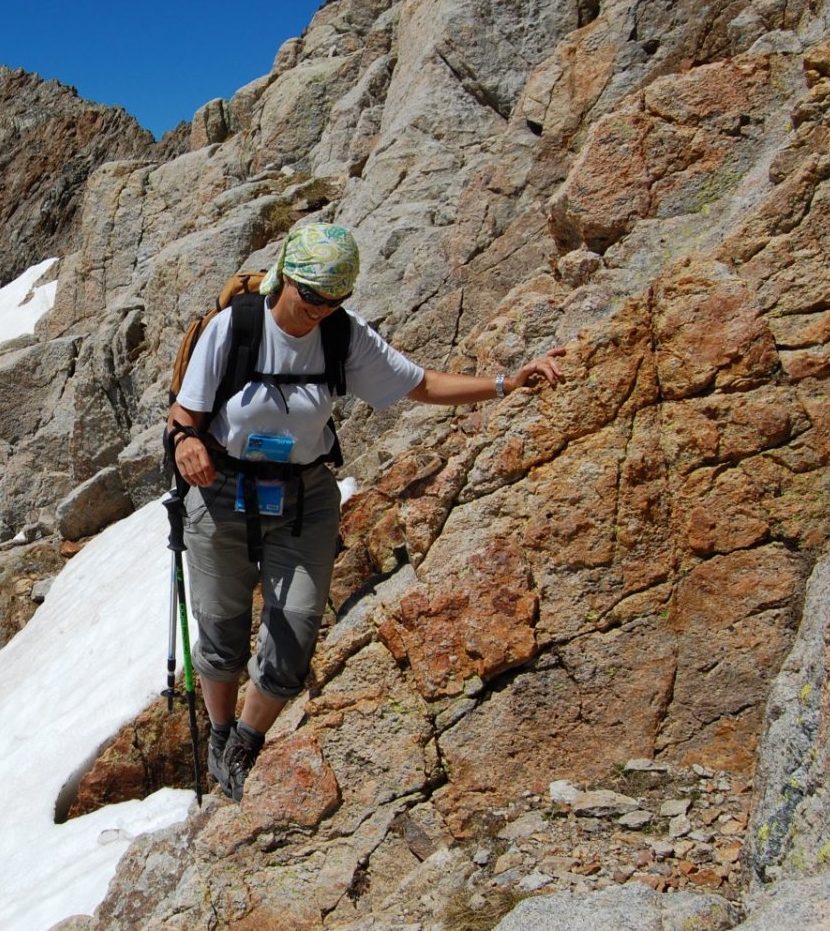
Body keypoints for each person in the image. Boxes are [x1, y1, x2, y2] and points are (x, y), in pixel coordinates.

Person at [166, 223, 565, 801]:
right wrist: (187, 444)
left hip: (303, 498)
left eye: (335, 300)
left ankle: (244, 747)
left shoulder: (341, 335)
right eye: (312, 296)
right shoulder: (235, 328)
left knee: (295, 627)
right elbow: (185, 415)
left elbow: (421, 385)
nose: (320, 310)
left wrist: (506, 383)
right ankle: (220, 733)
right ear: (286, 277)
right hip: (221, 491)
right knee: (221, 630)